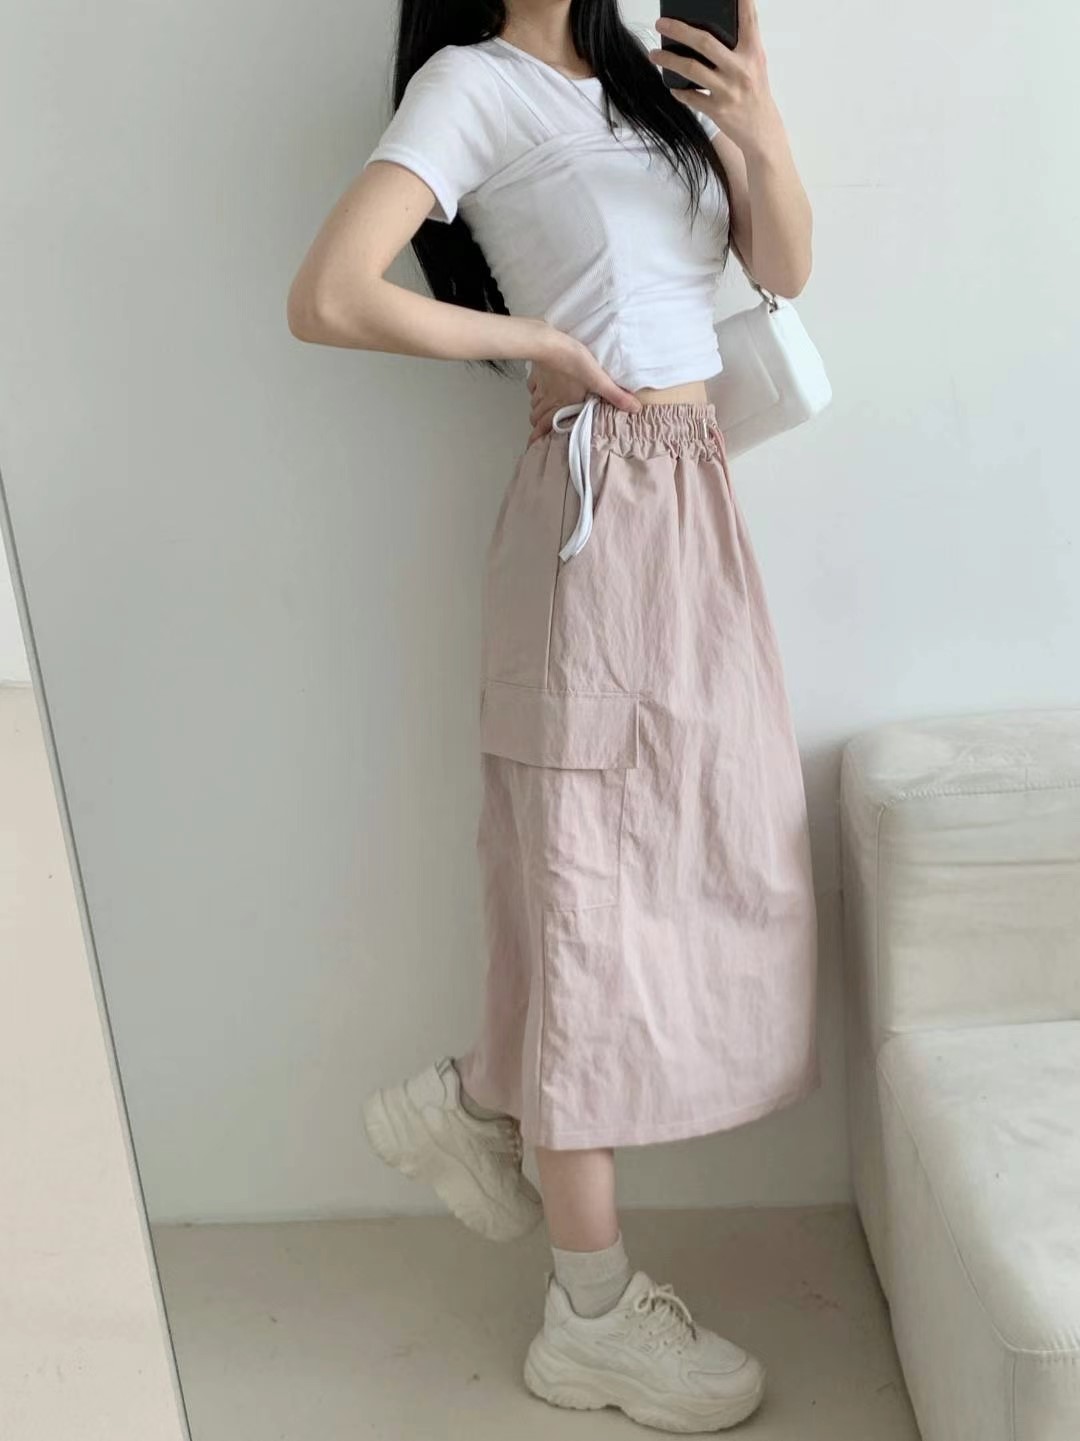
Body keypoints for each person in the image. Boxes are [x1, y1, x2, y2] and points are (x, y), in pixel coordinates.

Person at [287, 0, 819, 1430]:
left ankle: (476, 1101)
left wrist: (758, 121)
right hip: (592, 510)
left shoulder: (654, 85)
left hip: (697, 504)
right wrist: (539, 339)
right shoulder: (474, 87)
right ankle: (588, 1312)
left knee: (709, 857)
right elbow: (328, 292)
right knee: (588, 889)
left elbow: (782, 270)